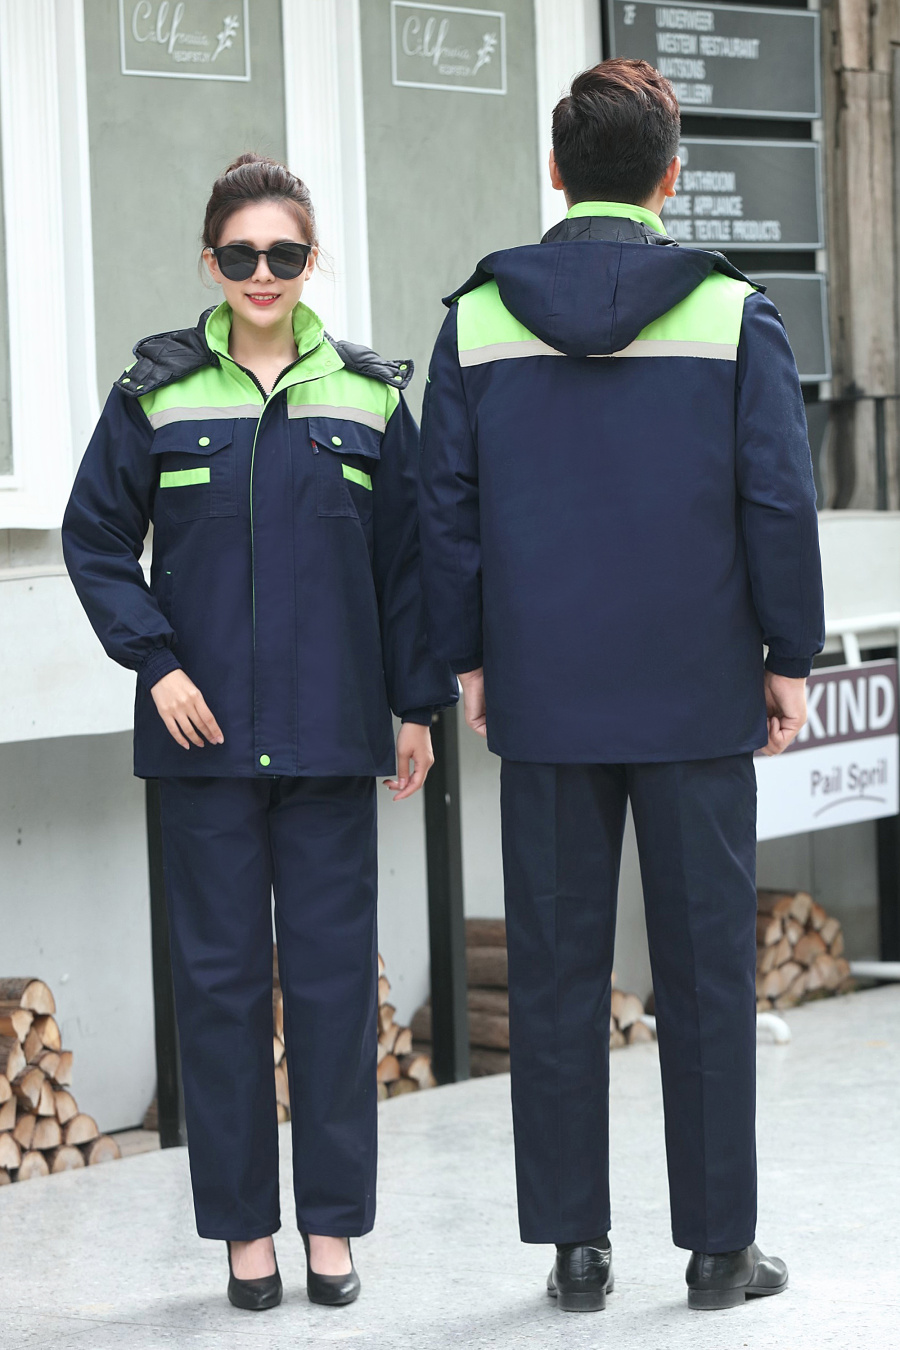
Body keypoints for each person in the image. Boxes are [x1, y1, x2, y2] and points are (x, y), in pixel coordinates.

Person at [418, 60, 824, 1313]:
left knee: (552, 972)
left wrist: (468, 660)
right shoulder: (732, 313)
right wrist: (790, 657)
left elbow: (446, 514)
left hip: (544, 696)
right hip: (698, 694)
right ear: (671, 177)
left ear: (556, 172)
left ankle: (577, 1253)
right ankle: (719, 1254)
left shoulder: (478, 321)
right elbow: (776, 498)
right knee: (707, 974)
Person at [63, 153, 456, 1312]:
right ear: (210, 263)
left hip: (333, 739)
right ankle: (244, 1235)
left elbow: (409, 567)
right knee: (221, 992)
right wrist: (156, 662)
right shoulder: (156, 392)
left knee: (334, 992)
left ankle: (332, 1228)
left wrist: (418, 706)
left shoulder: (369, 396)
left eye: (284, 252)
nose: (263, 272)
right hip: (204, 748)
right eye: (241, 254)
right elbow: (95, 539)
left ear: (312, 259)